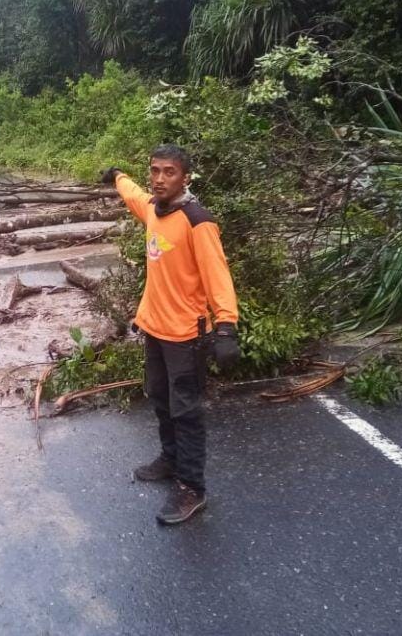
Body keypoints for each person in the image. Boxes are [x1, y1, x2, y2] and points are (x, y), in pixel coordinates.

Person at [101, 145, 239, 525]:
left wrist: (226, 326)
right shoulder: (152, 209)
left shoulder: (198, 220)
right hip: (154, 328)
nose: (160, 179)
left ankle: (192, 488)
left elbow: (218, 275)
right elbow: (133, 192)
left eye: (169, 172)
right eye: (155, 171)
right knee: (159, 398)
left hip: (185, 335)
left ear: (186, 177)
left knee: (187, 411)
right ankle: (170, 459)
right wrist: (117, 175)